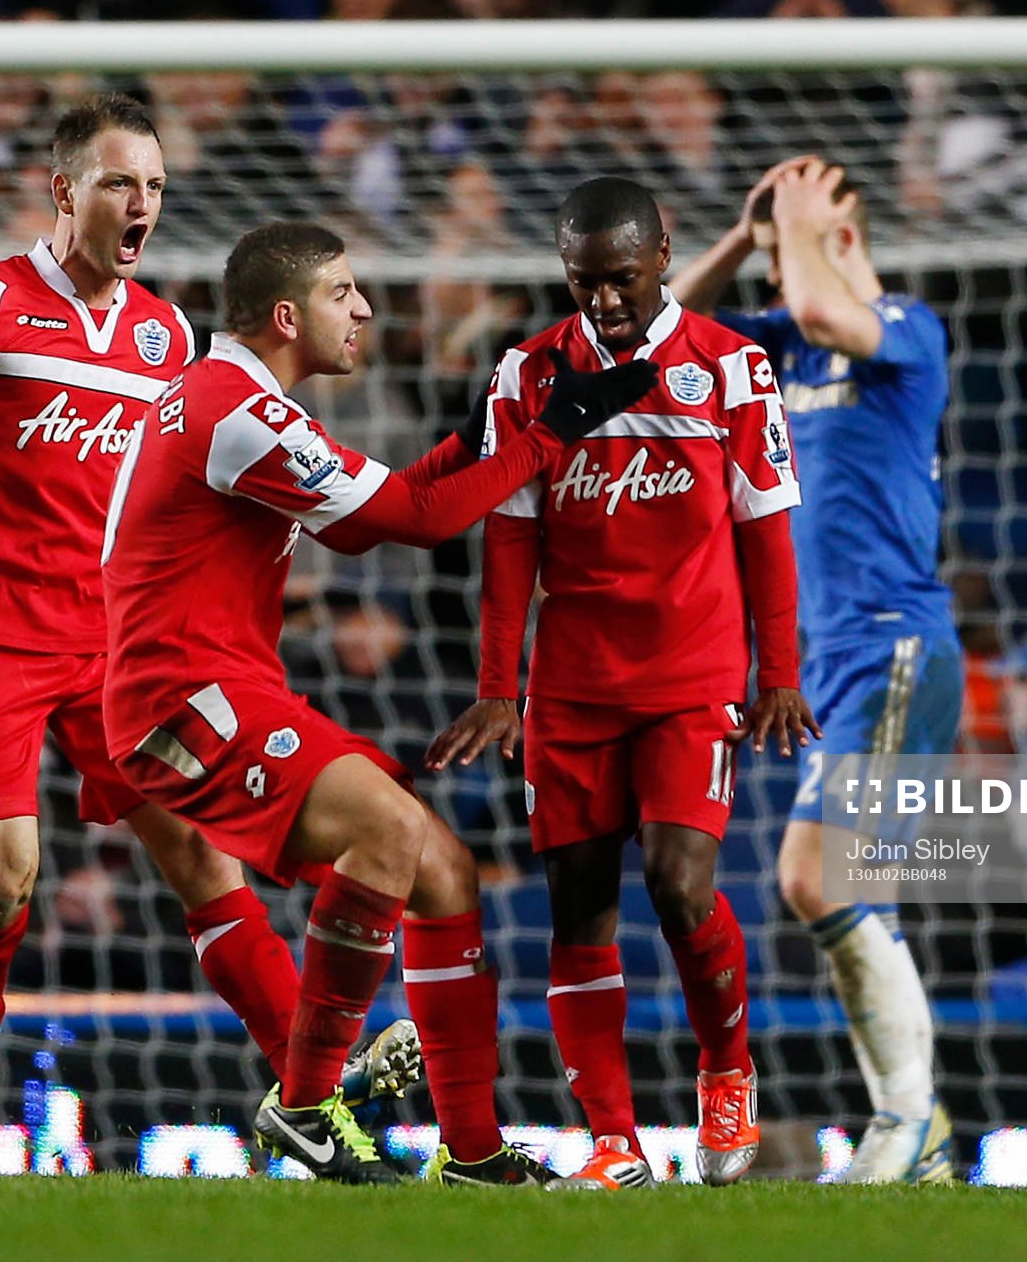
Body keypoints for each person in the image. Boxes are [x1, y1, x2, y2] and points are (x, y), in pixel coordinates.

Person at [0, 95, 351, 1139]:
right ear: (64, 192)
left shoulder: (165, 332)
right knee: (2, 873)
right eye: (120, 183)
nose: (141, 203)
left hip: (114, 638)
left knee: (205, 856)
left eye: (154, 185)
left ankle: (311, 1093)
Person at [101, 219, 652, 1184]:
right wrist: (551, 436)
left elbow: (396, 490)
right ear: (286, 315)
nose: (362, 308)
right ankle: (308, 1102)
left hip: (216, 688)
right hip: (183, 701)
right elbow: (409, 524)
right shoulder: (233, 408)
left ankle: (473, 1153)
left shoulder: (235, 398)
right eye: (342, 293)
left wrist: (490, 430)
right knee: (392, 838)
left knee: (443, 871)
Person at [428, 176, 815, 1191]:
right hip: (570, 691)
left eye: (619, 279)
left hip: (691, 680)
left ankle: (727, 1068)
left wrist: (778, 673)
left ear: (661, 254)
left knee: (680, 883)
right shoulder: (527, 373)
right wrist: (498, 686)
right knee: (577, 909)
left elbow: (767, 530)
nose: (602, 300)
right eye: (582, 281)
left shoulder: (731, 368)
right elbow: (508, 540)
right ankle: (614, 1141)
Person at [671, 156, 958, 1182]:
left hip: (895, 643)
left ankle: (909, 1119)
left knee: (816, 874)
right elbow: (662, 332)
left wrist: (797, 235)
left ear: (844, 234)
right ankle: (909, 1129)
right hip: (823, 664)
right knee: (839, 886)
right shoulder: (775, 342)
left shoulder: (909, 332)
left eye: (805, 224)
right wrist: (745, 237)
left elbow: (832, 314)